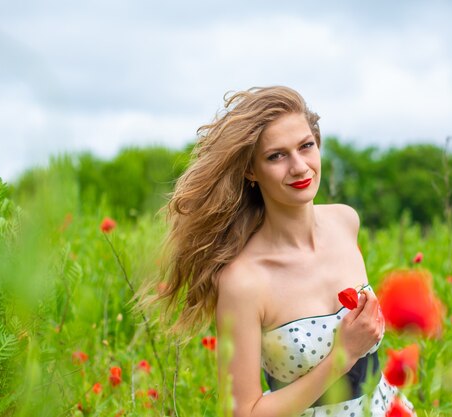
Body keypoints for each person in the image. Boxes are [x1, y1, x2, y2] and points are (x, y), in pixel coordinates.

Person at [161, 86, 415, 417]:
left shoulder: (345, 222)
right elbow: (244, 413)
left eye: (306, 146)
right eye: (276, 156)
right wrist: (343, 356)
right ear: (251, 171)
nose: (299, 167)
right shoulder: (243, 281)